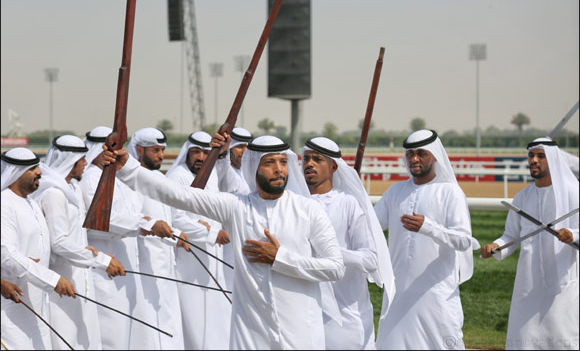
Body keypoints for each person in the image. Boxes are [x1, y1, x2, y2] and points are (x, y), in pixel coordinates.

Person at [105, 135, 345, 349]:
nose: (279, 170)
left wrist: (280, 258)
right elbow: (179, 195)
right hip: (251, 332)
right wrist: (128, 168)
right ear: (253, 167)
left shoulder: (308, 210)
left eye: (283, 162)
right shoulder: (237, 207)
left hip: (301, 331)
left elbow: (335, 267)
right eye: (269, 163)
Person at [374, 129, 476, 350]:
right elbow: (370, 226)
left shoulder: (451, 192)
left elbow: (464, 241)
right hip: (398, 295)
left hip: (436, 295)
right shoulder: (396, 191)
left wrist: (428, 228)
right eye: (410, 154)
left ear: (435, 155)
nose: (415, 159)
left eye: (421, 153)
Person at [481, 138, 579, 350]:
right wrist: (495, 246)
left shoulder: (574, 193)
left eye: (540, 156)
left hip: (563, 284)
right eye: (531, 156)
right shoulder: (522, 197)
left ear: (552, 159)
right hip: (528, 284)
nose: (534, 160)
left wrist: (572, 235)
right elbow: (510, 236)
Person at [80, 126, 171, 350]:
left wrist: (143, 220)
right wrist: (145, 224)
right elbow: (100, 218)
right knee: (110, 333)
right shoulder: (91, 178)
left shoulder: (118, 177)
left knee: (131, 332)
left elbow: (129, 213)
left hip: (128, 264)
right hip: (105, 269)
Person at [32, 135, 125, 350]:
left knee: (87, 341)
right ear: (69, 161)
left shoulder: (72, 189)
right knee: (66, 341)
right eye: (82, 159)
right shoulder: (54, 193)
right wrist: (100, 260)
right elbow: (59, 242)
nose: (85, 163)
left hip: (82, 277)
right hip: (62, 282)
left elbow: (76, 234)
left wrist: (91, 252)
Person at [301, 137, 395, 350]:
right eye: (306, 158)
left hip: (347, 314)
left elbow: (371, 259)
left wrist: (332, 254)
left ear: (333, 166)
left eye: (317, 159)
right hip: (306, 310)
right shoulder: (294, 202)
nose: (309, 164)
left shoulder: (347, 203)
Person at [1, 148, 76, 350]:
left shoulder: (32, 204)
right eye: (33, 169)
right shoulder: (4, 204)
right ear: (16, 172)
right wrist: (53, 280)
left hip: (36, 303)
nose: (39, 172)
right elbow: (7, 255)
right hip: (10, 306)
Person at [166, 131, 232, 349]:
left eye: (206, 152)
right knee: (193, 319)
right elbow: (176, 219)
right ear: (187, 152)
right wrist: (211, 233)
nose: (201, 157)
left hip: (213, 258)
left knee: (215, 318)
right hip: (190, 263)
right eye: (196, 152)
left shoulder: (210, 174)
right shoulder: (178, 176)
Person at [126, 127, 186, 350]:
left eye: (162, 150)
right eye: (155, 150)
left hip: (165, 260)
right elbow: (136, 219)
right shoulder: (131, 181)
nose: (161, 155)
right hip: (145, 262)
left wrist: (177, 236)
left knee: (167, 314)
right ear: (139, 150)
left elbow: (166, 218)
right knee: (150, 317)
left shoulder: (158, 178)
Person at [215, 127, 253, 195]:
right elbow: (222, 162)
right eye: (240, 147)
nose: (245, 152)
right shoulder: (223, 170)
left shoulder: (248, 172)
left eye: (247, 148)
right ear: (229, 149)